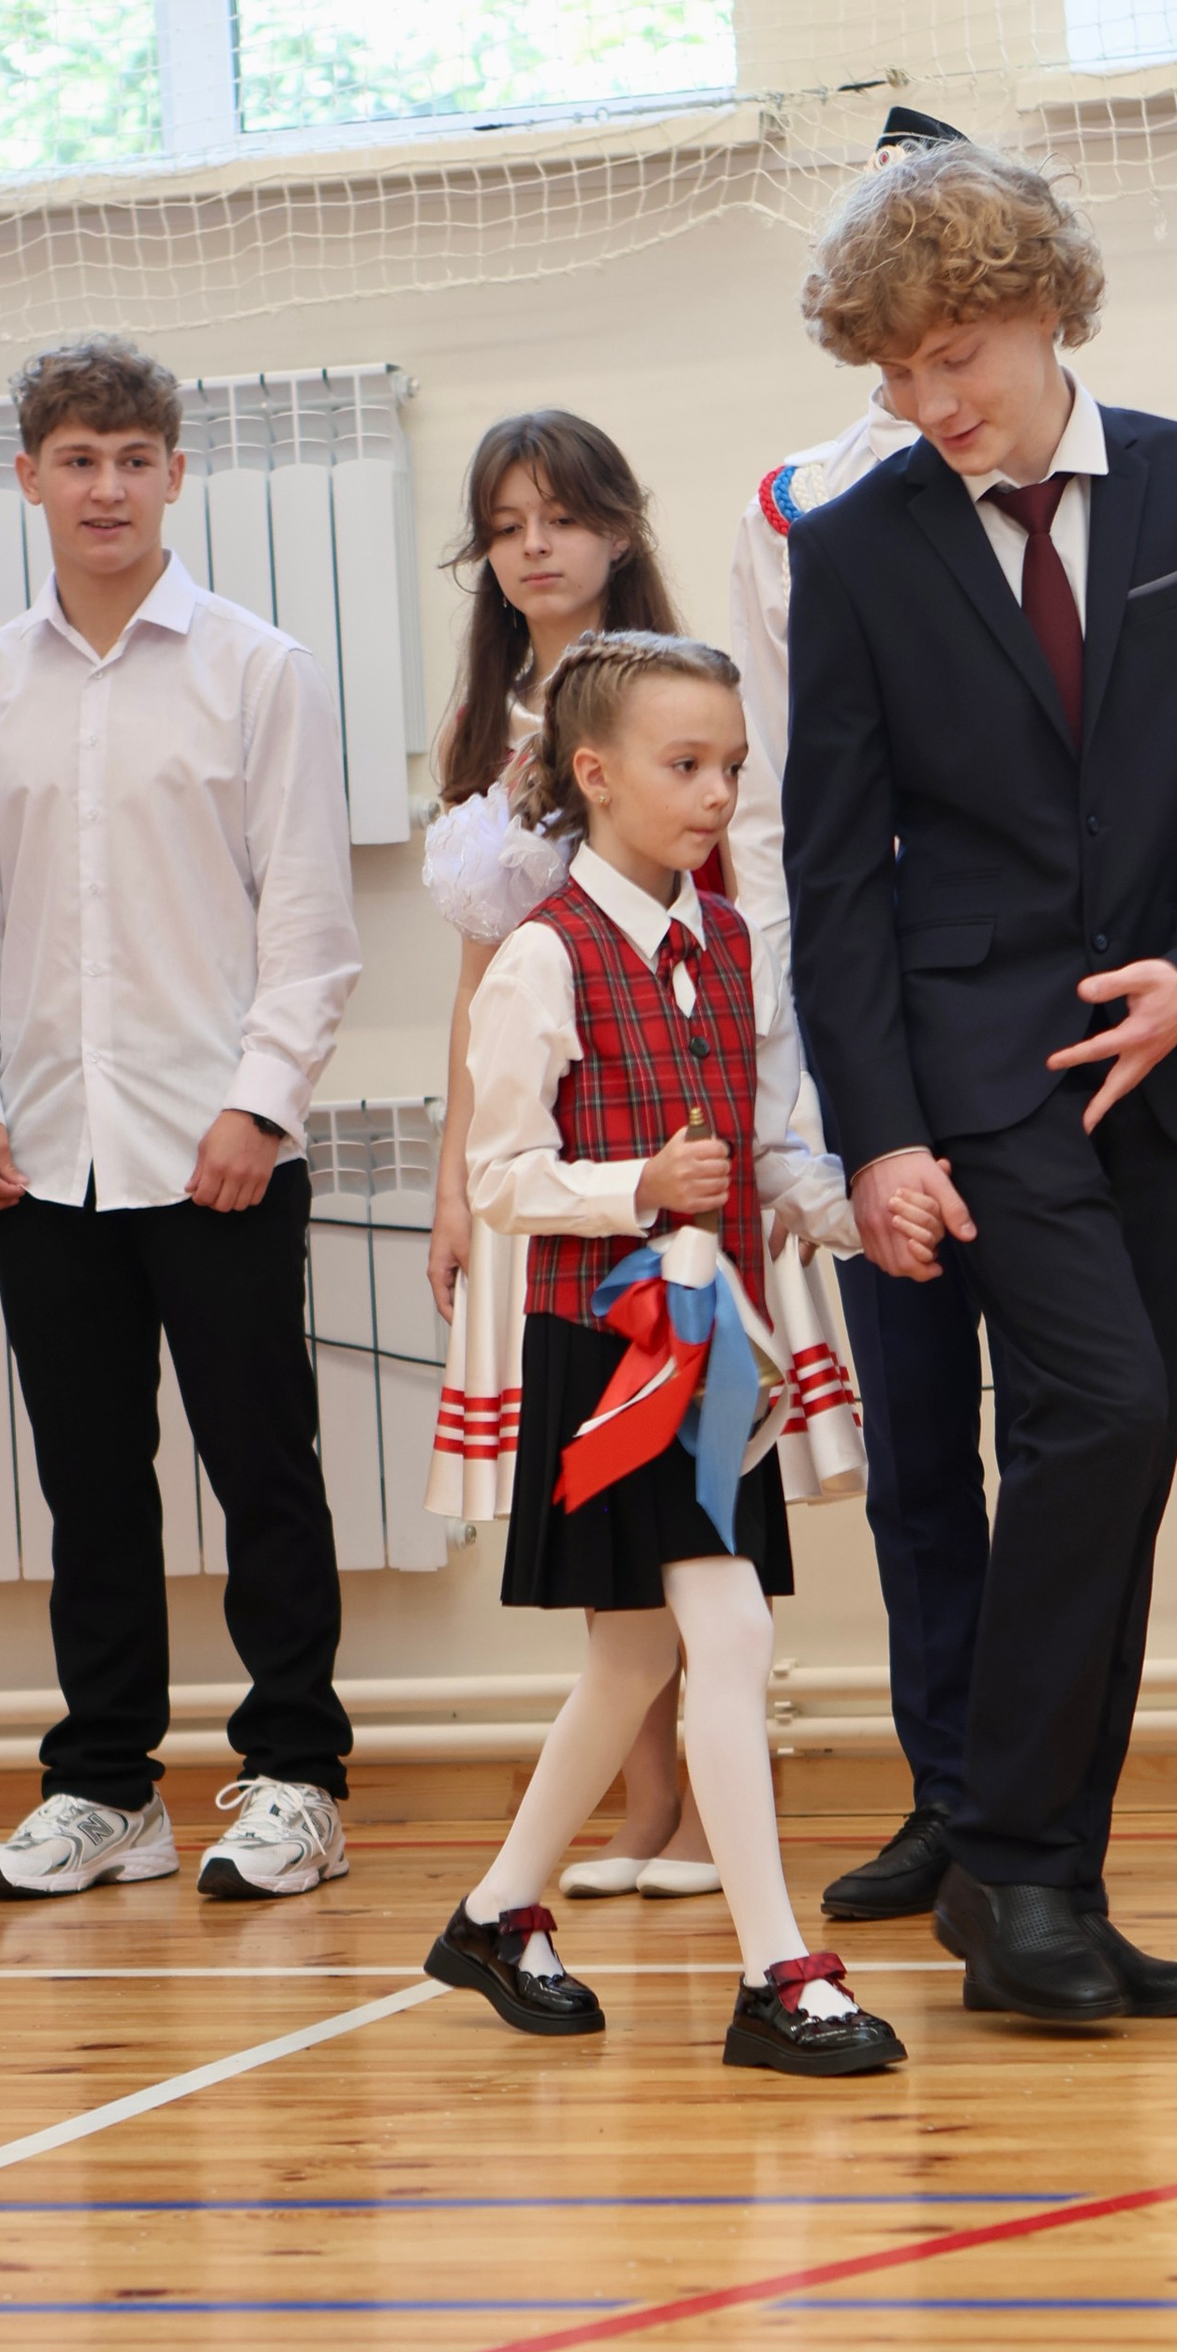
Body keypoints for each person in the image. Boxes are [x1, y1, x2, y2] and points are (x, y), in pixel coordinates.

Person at [783, 141, 1177, 2026]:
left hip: (1165, 1054)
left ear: (1042, 307)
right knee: (1095, 1416)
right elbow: (836, 874)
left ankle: (1055, 1901)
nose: (932, 409)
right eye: (898, 378)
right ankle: (1005, 1856)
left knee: (1126, 1459)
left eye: (957, 361)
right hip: (975, 1065)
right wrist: (878, 1139)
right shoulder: (854, 548)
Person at [423, 632, 903, 2077]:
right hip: (617, 1352)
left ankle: (500, 1909)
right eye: (686, 766)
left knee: (635, 1656)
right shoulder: (536, 962)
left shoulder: (736, 946)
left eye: (731, 769)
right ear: (596, 775)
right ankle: (778, 1967)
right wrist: (633, 1188)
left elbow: (764, 1148)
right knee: (732, 1632)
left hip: (717, 1346)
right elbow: (502, 1176)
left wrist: (862, 1210)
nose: (714, 794)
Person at [0, 333, 360, 1903]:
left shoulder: (258, 667)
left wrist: (259, 1106)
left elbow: (310, 923)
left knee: (265, 1468)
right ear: (27, 476)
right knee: (90, 1479)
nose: (105, 487)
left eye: (133, 459)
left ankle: (297, 1774)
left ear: (177, 473)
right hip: (42, 1155)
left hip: (218, 1151)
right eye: (76, 459)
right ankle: (109, 1787)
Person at [727, 102, 997, 1928]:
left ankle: (1047, 1788)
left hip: (1047, 1019)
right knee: (914, 1448)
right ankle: (950, 1788)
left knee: (1074, 1435)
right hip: (880, 1021)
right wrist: (799, 1092)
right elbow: (772, 823)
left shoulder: (1085, 466)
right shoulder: (806, 505)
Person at [419, 412, 715, 1896]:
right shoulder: (488, 723)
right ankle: (646, 1809)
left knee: (685, 1485)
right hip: (540, 1149)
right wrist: (451, 1180)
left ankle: (697, 1813)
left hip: (652, 1142)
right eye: (506, 522)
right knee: (600, 1489)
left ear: (618, 527)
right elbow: (478, 987)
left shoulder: (672, 696)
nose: (534, 545)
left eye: (562, 516)